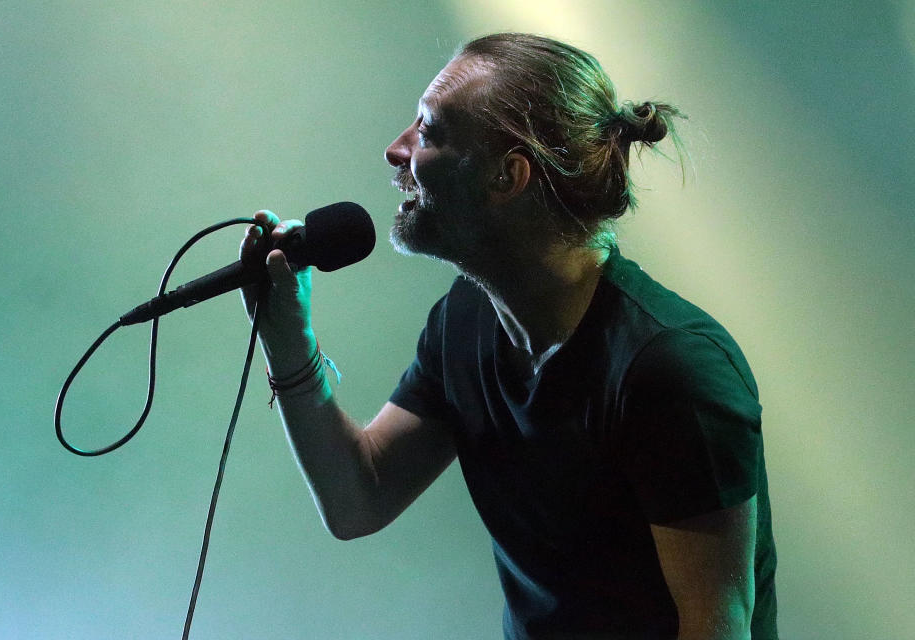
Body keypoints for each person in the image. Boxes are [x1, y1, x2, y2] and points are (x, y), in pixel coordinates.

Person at [240, 33, 777, 640]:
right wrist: (288, 339)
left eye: (427, 129)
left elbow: (712, 626)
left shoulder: (671, 370)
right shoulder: (464, 323)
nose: (395, 150)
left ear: (508, 175)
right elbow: (359, 498)